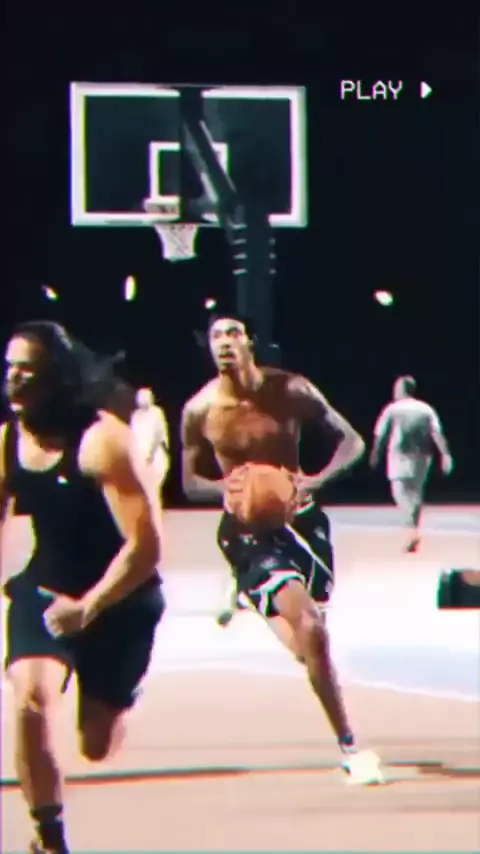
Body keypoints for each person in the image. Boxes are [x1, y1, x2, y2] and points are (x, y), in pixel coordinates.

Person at [180, 313, 383, 785]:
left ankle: (253, 595)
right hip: (247, 531)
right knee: (310, 628)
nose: (225, 342)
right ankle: (351, 748)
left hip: (303, 524)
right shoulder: (200, 409)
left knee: (311, 643)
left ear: (250, 342)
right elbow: (189, 482)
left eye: (233, 333)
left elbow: (352, 441)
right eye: (216, 335)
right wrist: (228, 490)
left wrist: (317, 480)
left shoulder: (292, 390)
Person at [1, 321, 164, 854]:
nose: (14, 379)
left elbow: (146, 547)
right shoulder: (7, 440)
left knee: (95, 745)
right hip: (47, 586)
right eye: (9, 368)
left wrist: (89, 607)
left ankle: (118, 698)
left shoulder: (103, 441)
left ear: (57, 377)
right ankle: (50, 838)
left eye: (27, 370)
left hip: (122, 595)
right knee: (30, 699)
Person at [369, 375, 453, 552]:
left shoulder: (393, 409)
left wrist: (375, 454)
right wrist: (445, 455)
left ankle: (411, 529)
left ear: (400, 390)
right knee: (416, 494)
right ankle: (412, 531)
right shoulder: (426, 409)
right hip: (423, 456)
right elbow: (436, 433)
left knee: (399, 492)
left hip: (399, 455)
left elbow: (381, 434)